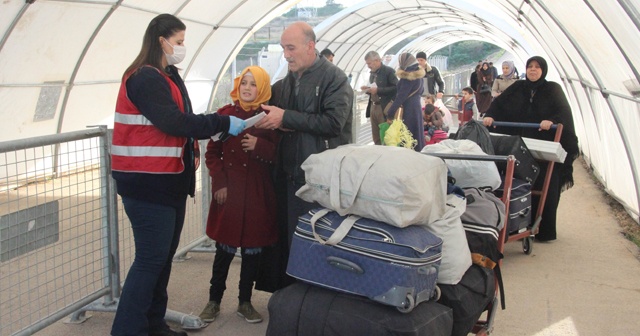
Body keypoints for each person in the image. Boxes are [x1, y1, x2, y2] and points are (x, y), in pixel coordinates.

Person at [110, 14, 246, 336]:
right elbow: (175, 122)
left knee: (161, 262)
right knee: (149, 261)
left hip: (169, 182)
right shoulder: (144, 78)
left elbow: (183, 118)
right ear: (161, 40)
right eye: (180, 41)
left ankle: (153, 325)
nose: (182, 47)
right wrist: (222, 123)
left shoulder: (167, 74)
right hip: (146, 185)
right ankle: (127, 330)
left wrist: (215, 125)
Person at [255, 21, 352, 248]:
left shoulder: (334, 79)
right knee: (291, 238)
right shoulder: (284, 83)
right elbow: (281, 116)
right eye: (283, 48)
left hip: (321, 178)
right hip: (289, 173)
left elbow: (333, 123)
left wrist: (286, 118)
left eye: (291, 48)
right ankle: (292, 283)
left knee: (317, 239)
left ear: (310, 46)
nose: (286, 55)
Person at [197, 66, 279, 325]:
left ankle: (245, 301)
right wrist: (219, 183)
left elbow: (280, 155)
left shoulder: (269, 117)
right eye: (244, 82)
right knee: (224, 249)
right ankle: (214, 300)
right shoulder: (225, 115)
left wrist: (260, 146)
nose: (247, 88)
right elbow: (212, 153)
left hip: (256, 194)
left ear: (263, 89)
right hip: (230, 193)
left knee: (252, 251)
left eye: (254, 84)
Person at [483, 56, 579, 242]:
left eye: (537, 67)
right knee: (517, 184)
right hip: (520, 147)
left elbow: (564, 113)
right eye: (530, 67)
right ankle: (517, 225)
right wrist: (490, 116)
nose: (533, 70)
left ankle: (543, 230)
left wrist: (552, 121)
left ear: (543, 70)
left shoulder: (553, 89)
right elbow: (499, 105)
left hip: (544, 147)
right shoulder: (518, 87)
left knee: (546, 183)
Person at [385, 52, 425, 151]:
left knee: (407, 135)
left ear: (404, 62)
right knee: (416, 134)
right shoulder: (419, 73)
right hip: (416, 107)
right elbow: (422, 91)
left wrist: (390, 113)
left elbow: (401, 97)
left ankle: (409, 159)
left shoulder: (408, 77)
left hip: (408, 109)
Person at [360, 50, 398, 145]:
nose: (368, 66)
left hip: (384, 107)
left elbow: (396, 88)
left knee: (385, 133)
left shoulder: (389, 71)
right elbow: (374, 88)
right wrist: (368, 90)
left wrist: (379, 90)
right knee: (375, 134)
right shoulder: (372, 73)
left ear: (377, 60)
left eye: (369, 63)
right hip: (373, 106)